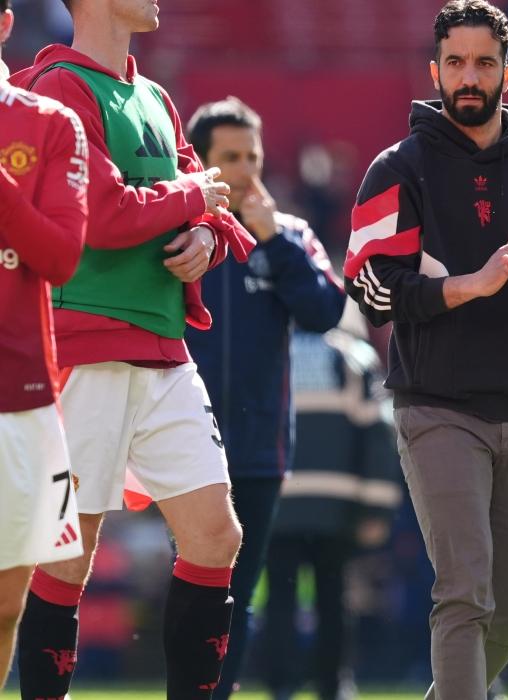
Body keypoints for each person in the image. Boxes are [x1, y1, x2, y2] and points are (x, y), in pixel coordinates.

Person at [10, 0, 256, 696]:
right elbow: (103, 214)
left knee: (217, 536)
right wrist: (194, 198)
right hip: (82, 348)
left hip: (165, 349)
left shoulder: (154, 97)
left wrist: (207, 236)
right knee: (67, 556)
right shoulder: (59, 87)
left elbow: (213, 203)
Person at [341, 2, 508, 698]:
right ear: (434, 71)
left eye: (484, 63)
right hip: (436, 405)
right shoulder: (397, 166)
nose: (469, 77)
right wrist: (473, 284)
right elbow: (369, 290)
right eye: (456, 62)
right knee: (465, 590)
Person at [183, 95, 346, 699]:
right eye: (231, 158)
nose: (247, 171)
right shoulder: (179, 234)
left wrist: (273, 241)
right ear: (199, 163)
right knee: (194, 587)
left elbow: (326, 311)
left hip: (259, 446)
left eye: (252, 157)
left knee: (236, 592)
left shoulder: (290, 235)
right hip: (183, 440)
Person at [0, 0, 88, 686]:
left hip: (21, 394)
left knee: (6, 604)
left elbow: (60, 258)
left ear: (4, 25)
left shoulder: (50, 122)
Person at [263, 312, 402, 700]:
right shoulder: (354, 357)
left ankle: (281, 684)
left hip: (279, 505)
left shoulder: (272, 354)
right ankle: (333, 683)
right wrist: (377, 508)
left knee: (280, 599)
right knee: (334, 598)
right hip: (336, 509)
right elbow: (378, 435)